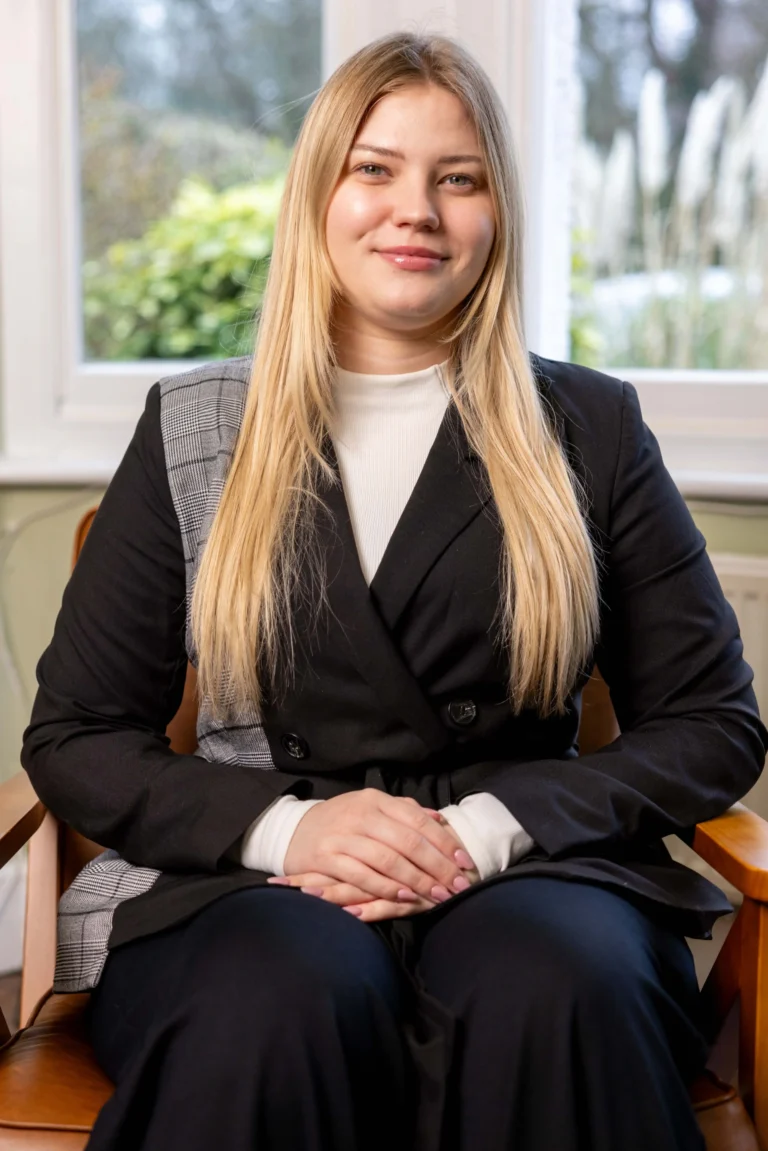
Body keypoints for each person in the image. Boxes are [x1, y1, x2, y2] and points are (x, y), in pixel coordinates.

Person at [21, 30, 766, 1151]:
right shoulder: (191, 423)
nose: (414, 207)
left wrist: (489, 826)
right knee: (274, 1001)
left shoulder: (591, 425)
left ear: (495, 214)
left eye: (455, 177)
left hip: (534, 868)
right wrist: (287, 829)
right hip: (241, 884)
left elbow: (713, 726)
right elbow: (76, 735)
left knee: (552, 988)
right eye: (375, 167)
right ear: (318, 193)